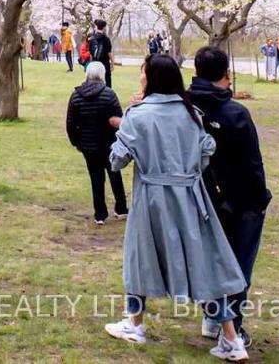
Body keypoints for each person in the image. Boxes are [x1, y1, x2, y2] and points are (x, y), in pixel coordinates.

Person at [103, 54, 247, 361]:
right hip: (191, 198)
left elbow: (116, 160)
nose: (140, 76)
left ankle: (134, 323)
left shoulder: (138, 115)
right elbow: (206, 151)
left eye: (143, 72)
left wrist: (128, 125)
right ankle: (232, 340)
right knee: (205, 264)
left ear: (151, 77)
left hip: (152, 200)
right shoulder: (191, 113)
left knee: (140, 259)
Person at [188, 47, 271, 350]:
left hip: (203, 199)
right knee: (239, 264)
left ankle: (214, 318)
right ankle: (231, 327)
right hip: (242, 200)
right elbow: (252, 162)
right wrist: (260, 199)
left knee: (212, 259)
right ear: (226, 74)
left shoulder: (185, 108)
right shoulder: (235, 113)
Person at [66, 60, 127, 223]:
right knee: (115, 174)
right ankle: (121, 208)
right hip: (108, 143)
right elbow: (119, 120)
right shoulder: (109, 94)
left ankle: (100, 213)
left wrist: (77, 143)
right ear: (103, 75)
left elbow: (70, 124)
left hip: (88, 145)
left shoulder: (76, 96)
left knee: (96, 178)